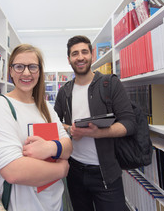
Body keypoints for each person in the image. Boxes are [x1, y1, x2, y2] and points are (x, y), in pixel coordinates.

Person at [54, 35, 136, 211]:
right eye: (75, 54)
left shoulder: (110, 84)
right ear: (69, 59)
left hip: (106, 173)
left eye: (84, 52)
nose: (80, 57)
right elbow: (53, 123)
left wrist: (99, 133)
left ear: (92, 55)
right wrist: (70, 129)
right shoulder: (64, 92)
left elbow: (129, 123)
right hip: (74, 172)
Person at [0, 44, 73, 211]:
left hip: (55, 203)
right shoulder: (1, 104)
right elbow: (13, 171)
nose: (26, 73)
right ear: (10, 71)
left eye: (32, 67)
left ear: (39, 72)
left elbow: (68, 147)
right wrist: (62, 169)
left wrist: (50, 147)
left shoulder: (46, 108)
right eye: (19, 66)